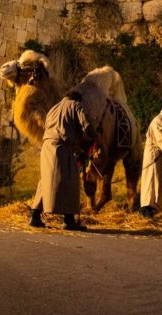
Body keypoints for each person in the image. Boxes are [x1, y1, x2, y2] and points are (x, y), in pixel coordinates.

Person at [29, 90, 96, 231]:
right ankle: (69, 220)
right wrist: (94, 137)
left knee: (46, 179)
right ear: (77, 99)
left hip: (46, 146)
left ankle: (35, 216)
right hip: (61, 147)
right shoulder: (76, 105)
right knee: (70, 180)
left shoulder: (54, 108)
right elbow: (87, 125)